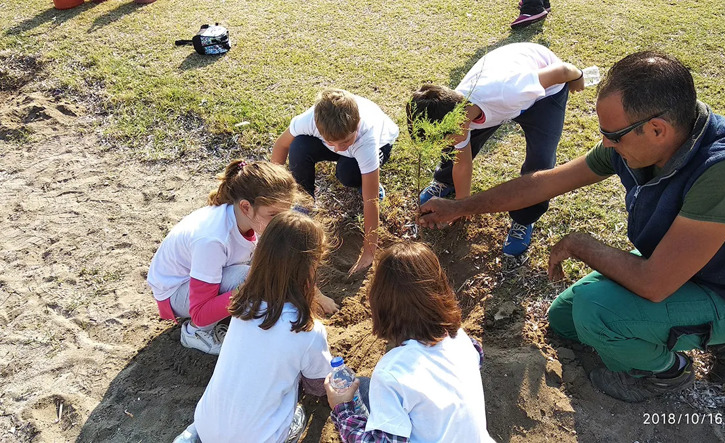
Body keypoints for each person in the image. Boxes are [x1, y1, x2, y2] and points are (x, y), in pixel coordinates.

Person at [419, 51, 725, 402]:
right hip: (675, 267)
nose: (606, 143)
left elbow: (653, 284)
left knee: (597, 312)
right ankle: (694, 333)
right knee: (565, 318)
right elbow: (542, 183)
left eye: (614, 135)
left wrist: (582, 244)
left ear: (657, 129)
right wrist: (460, 206)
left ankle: (670, 370)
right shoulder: (641, 141)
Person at [408, 42, 585, 259]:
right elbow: (462, 163)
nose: (444, 144)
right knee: (457, 149)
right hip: (499, 86)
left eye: (443, 138)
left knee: (541, 160)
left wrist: (577, 77)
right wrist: (461, 207)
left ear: (458, 122)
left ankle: (524, 219)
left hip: (546, 94)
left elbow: (563, 70)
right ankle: (445, 182)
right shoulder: (455, 111)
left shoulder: (508, 91)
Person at [173, 211, 334, 443]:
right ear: (310, 270)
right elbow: (320, 385)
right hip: (258, 438)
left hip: (206, 427)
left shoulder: (242, 307)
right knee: (296, 409)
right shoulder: (308, 331)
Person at [147, 160, 337, 355]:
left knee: (260, 275)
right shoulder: (212, 240)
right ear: (246, 207)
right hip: (175, 295)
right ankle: (196, 333)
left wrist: (317, 295)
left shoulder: (255, 219)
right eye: (273, 214)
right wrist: (250, 289)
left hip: (210, 276)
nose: (280, 222)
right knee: (250, 278)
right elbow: (200, 312)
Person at [325, 242, 495, 442]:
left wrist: (343, 409)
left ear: (380, 303)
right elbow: (478, 356)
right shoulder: (461, 338)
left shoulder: (391, 373)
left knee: (361, 391)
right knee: (363, 387)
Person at [272, 88, 399, 275]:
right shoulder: (309, 120)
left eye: (345, 141)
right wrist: (274, 193)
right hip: (342, 138)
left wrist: (369, 253)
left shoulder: (366, 139)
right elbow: (281, 145)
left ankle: (367, 180)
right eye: (332, 142)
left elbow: (370, 201)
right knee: (299, 146)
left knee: (347, 173)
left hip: (380, 145)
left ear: (356, 126)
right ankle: (303, 206)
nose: (339, 149)